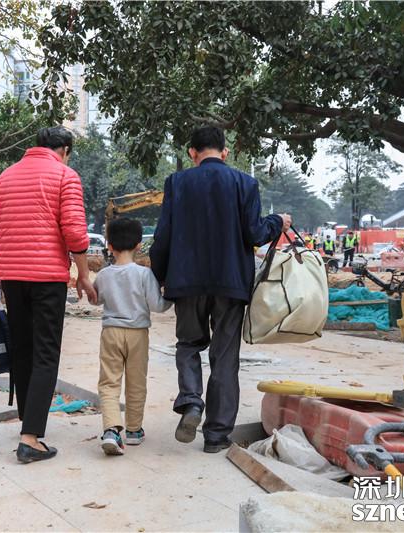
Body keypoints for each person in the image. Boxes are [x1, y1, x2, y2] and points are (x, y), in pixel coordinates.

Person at [150, 125, 291, 453]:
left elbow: (163, 235)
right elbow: (255, 233)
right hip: (231, 284)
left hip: (186, 282)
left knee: (188, 345)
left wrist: (160, 275)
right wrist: (277, 222)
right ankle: (215, 436)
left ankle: (191, 401)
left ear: (192, 153)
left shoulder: (177, 182)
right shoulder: (245, 183)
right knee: (225, 357)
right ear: (225, 152)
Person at [0, 126, 97, 464]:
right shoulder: (65, 176)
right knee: (46, 351)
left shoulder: (4, 177)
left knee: (23, 349)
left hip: (12, 276)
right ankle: (30, 438)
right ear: (64, 150)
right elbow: (74, 231)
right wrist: (83, 274)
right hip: (47, 277)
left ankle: (28, 419)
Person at [93, 218, 171, 456]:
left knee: (109, 382)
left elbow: (96, 300)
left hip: (111, 332)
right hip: (138, 333)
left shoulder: (103, 275)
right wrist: (170, 296)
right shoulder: (144, 274)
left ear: (109, 246)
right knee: (136, 382)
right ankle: (134, 431)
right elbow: (157, 306)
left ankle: (111, 431)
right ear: (139, 245)